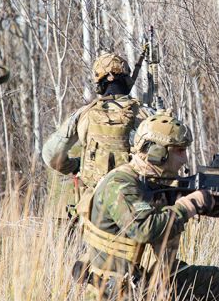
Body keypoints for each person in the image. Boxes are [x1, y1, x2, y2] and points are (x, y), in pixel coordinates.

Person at [78, 111, 219, 301]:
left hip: (143, 286)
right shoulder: (122, 184)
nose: (184, 158)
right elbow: (143, 228)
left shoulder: (153, 183)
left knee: (213, 281)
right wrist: (189, 205)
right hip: (112, 296)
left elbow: (209, 205)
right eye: (179, 150)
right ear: (157, 152)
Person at [41, 52, 149, 225]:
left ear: (99, 82)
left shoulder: (84, 114)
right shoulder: (143, 114)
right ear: (127, 78)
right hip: (136, 210)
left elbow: (51, 155)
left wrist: (76, 165)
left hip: (93, 209)